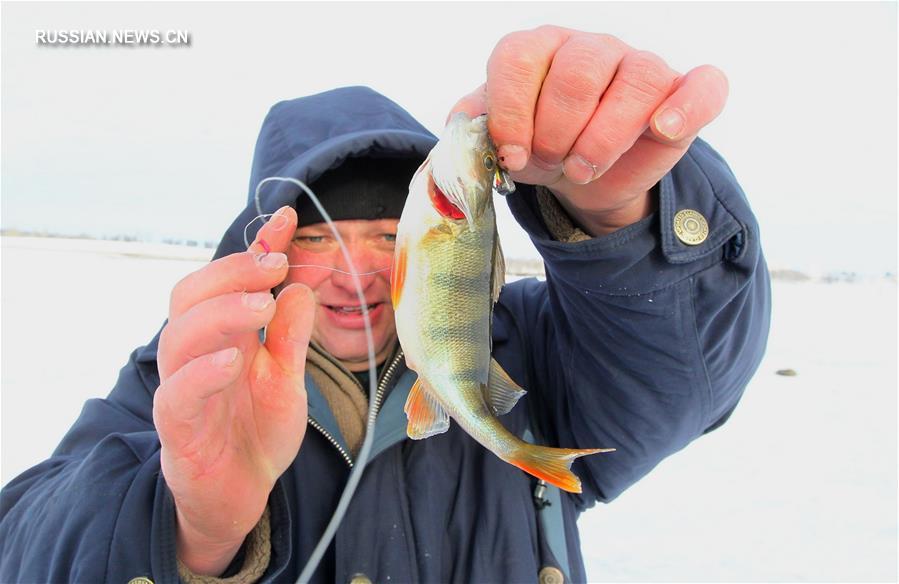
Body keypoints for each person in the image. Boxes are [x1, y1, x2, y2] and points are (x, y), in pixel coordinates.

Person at [0, 25, 770, 583]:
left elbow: (685, 368)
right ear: (261, 246)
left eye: (384, 236)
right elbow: (21, 546)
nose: (354, 274)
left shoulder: (535, 351)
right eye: (315, 239)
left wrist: (622, 217)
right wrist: (187, 527)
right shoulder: (191, 382)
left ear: (419, 230)